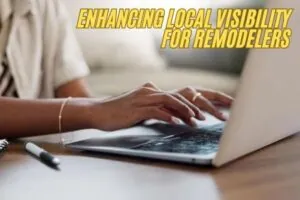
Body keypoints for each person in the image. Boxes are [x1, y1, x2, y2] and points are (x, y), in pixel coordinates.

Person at [0, 0, 233, 139]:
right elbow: (89, 109)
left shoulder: (46, 5)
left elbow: (77, 97)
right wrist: (94, 111)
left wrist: (149, 106)